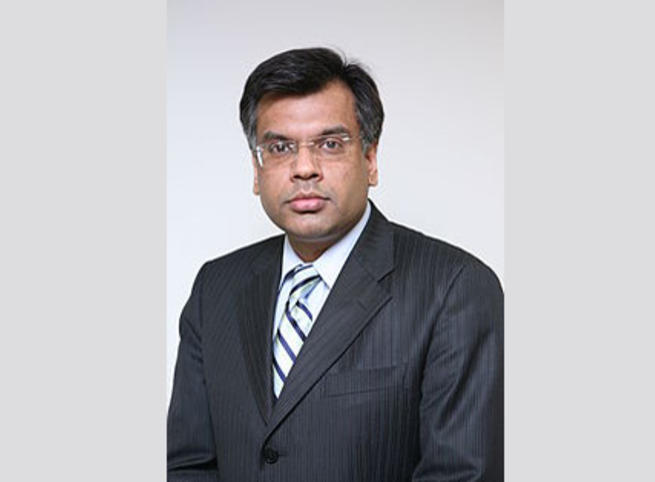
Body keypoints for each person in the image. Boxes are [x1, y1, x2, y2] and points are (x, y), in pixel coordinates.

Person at [167, 47, 503, 482]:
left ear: (370, 159)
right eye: (280, 147)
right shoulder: (216, 286)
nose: (304, 168)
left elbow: (461, 475)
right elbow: (189, 465)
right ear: (256, 168)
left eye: (330, 144)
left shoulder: (455, 289)